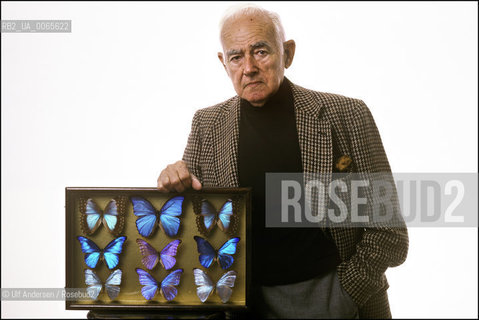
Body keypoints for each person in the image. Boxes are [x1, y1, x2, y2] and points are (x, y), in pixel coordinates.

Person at [157, 4, 408, 319]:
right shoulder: (207, 125)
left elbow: (389, 231)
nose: (248, 67)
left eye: (260, 52)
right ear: (224, 63)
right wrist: (173, 180)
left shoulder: (347, 115)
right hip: (246, 306)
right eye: (236, 57)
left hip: (334, 297)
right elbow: (191, 229)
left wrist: (347, 292)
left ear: (287, 54)